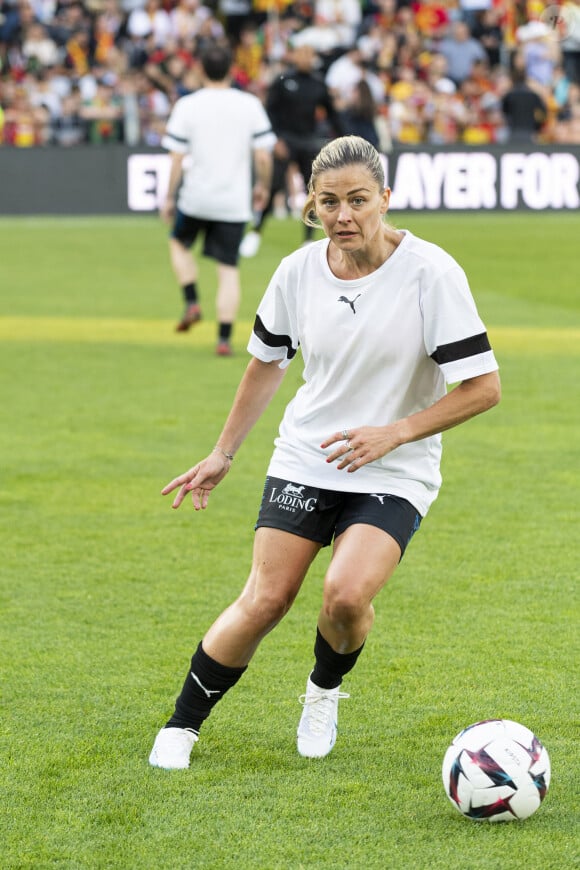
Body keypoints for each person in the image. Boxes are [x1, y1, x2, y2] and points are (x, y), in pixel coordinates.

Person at [149, 135, 501, 770]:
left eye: (359, 200)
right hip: (307, 456)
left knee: (343, 596)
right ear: (311, 204)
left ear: (385, 199)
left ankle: (323, 691)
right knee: (265, 598)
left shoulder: (432, 273)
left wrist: (394, 433)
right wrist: (222, 453)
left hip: (394, 466)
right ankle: (182, 725)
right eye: (329, 202)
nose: (344, 216)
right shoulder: (297, 271)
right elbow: (265, 365)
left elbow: (483, 388)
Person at [161, 41, 275, 355]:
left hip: (196, 197)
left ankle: (192, 300)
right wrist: (262, 186)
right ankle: (224, 339)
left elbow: (176, 158)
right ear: (232, 70)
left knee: (177, 243)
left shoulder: (188, 105)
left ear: (200, 69)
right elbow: (263, 157)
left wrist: (169, 197)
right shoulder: (249, 104)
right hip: (233, 202)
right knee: (228, 270)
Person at [239, 42, 344, 259]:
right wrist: (275, 139)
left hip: (309, 143)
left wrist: (345, 138)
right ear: (294, 56)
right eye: (302, 53)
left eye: (309, 53)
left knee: (314, 191)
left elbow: (333, 115)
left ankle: (308, 238)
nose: (305, 57)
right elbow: (269, 112)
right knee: (274, 186)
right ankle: (256, 232)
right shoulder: (283, 81)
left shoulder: (318, 83)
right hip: (285, 142)